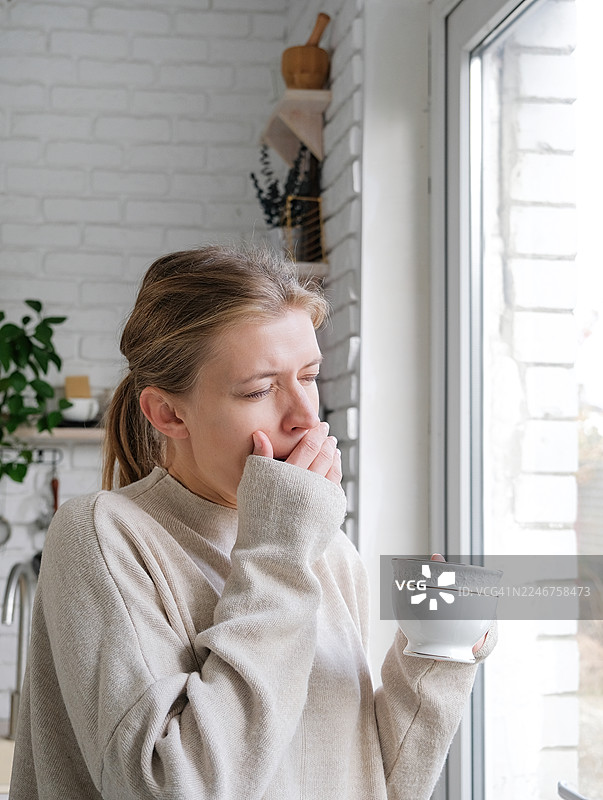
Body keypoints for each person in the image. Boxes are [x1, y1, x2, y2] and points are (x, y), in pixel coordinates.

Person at [10, 245, 496, 800]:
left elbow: (372, 784)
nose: (306, 416)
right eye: (260, 390)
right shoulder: (104, 536)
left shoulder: (328, 552)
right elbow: (172, 788)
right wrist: (282, 550)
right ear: (168, 413)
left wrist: (435, 653)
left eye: (310, 377)